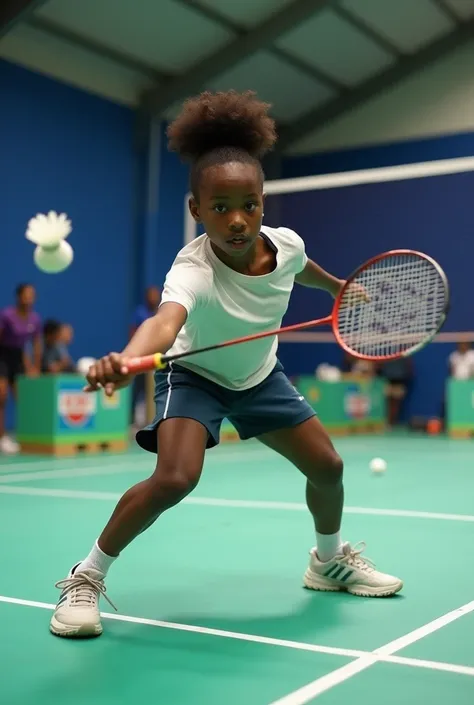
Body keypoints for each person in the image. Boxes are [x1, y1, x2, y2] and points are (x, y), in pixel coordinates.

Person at [50, 90, 403, 639]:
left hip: (260, 376)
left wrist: (338, 288)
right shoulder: (192, 269)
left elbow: (301, 266)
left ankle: (327, 561)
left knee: (328, 468)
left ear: (264, 202)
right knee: (175, 476)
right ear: (196, 210)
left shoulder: (284, 244)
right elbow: (164, 324)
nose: (237, 221)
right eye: (220, 209)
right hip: (196, 376)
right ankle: (86, 576)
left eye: (249, 206)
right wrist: (128, 357)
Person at [0, 283, 41, 454]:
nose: (29, 298)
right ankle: (2, 437)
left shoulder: (35, 319)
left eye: (32, 294)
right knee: (1, 396)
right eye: (26, 294)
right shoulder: (7, 315)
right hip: (2, 356)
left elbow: (36, 344)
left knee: (22, 399)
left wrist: (34, 367)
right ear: (19, 297)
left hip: (18, 359)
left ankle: (24, 436)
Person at [130, 286, 161, 424]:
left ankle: (156, 419)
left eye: (155, 295)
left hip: (159, 358)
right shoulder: (140, 312)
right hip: (142, 359)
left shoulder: (161, 313)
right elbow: (133, 333)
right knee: (138, 390)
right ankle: (131, 421)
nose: (153, 298)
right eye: (150, 295)